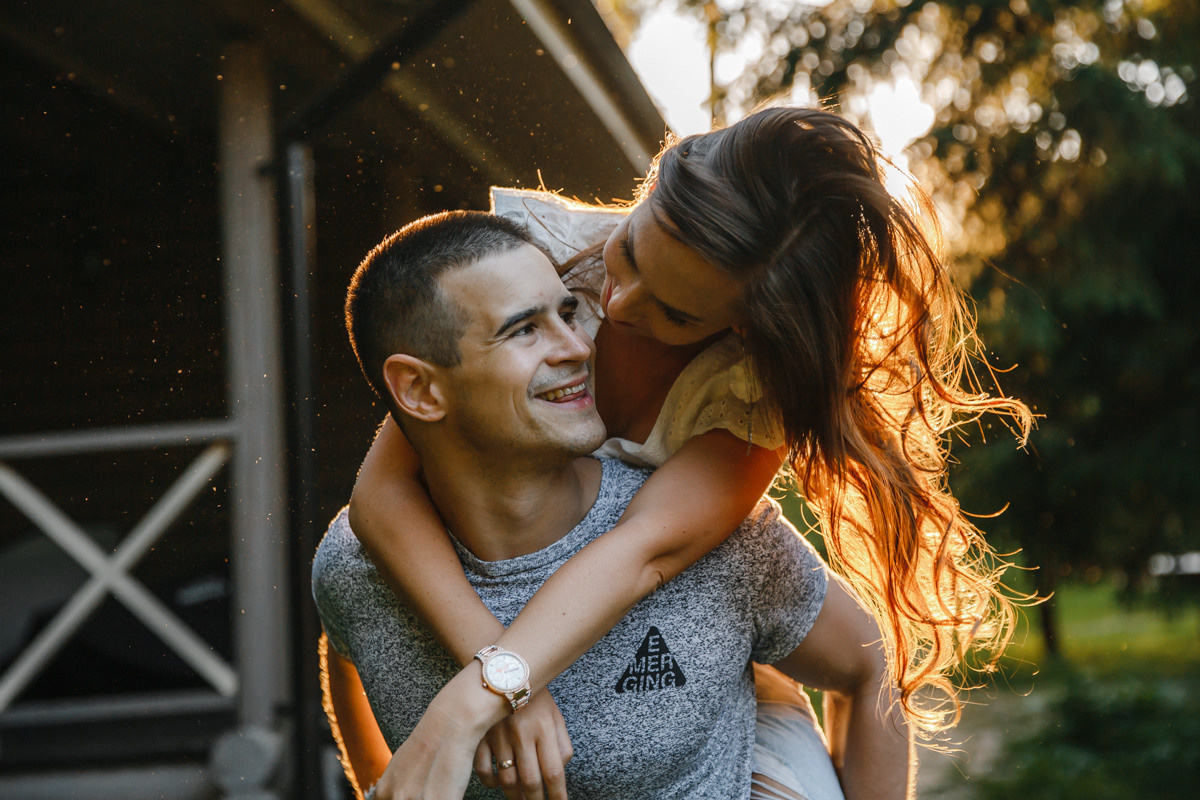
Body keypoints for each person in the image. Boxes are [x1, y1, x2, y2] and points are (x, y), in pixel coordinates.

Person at [348, 107, 1031, 796]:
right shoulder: (541, 264)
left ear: (740, 324)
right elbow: (379, 495)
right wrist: (492, 680)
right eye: (634, 253)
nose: (617, 306)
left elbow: (644, 553)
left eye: (676, 314)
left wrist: (476, 701)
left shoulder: (747, 399)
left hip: (709, 670)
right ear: (648, 192)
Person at [313, 210, 907, 800]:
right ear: (419, 389)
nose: (581, 343)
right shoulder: (356, 567)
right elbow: (350, 637)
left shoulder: (720, 538)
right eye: (525, 329)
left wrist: (490, 689)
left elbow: (867, 666)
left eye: (568, 313)